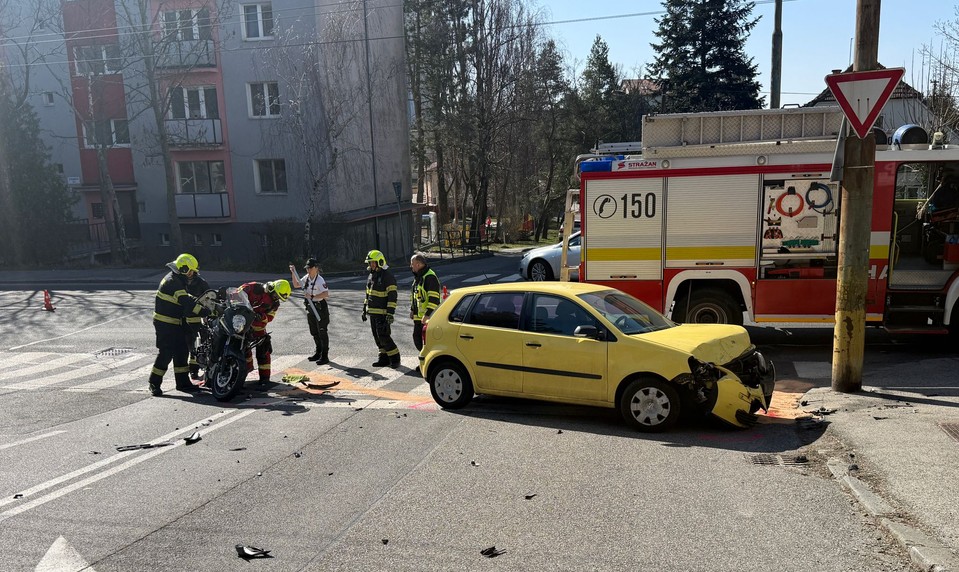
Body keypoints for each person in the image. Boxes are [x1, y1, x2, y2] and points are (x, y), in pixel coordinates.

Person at [148, 253, 213, 397]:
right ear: (183, 269)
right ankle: (154, 382)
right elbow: (186, 303)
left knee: (182, 351)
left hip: (176, 322)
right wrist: (205, 311)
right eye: (191, 271)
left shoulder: (177, 279)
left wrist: (199, 301)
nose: (192, 274)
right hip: (165, 323)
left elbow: (186, 297)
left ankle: (183, 383)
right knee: (166, 353)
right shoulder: (172, 282)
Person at [239, 279, 291, 383]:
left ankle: (265, 379)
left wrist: (261, 317)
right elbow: (238, 293)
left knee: (264, 349)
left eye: (278, 297)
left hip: (257, 326)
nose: (276, 299)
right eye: (276, 295)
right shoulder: (254, 287)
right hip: (240, 321)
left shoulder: (275, 304)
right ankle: (245, 370)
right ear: (271, 288)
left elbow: (270, 317)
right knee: (241, 347)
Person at [362, 249, 399, 368]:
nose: (371, 265)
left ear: (380, 262)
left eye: (373, 262)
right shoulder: (371, 275)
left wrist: (390, 313)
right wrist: (364, 309)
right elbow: (368, 293)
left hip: (383, 313)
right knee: (377, 337)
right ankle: (383, 358)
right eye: (370, 263)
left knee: (384, 336)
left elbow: (392, 296)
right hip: (373, 312)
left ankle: (395, 358)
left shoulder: (387, 276)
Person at [289, 258, 330, 364]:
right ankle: (318, 352)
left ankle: (324, 356)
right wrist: (293, 273)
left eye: (310, 268)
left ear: (316, 268)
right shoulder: (307, 278)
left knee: (322, 332)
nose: (308, 270)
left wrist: (312, 296)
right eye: (307, 268)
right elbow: (296, 284)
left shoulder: (320, 280)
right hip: (310, 308)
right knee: (314, 332)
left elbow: (326, 294)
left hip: (320, 308)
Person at [409, 253, 441, 352]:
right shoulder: (419, 277)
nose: (411, 266)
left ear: (418, 264)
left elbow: (434, 298)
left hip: (427, 318)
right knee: (418, 340)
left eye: (412, 264)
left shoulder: (429, 277)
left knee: (427, 343)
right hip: (419, 318)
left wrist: (427, 314)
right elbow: (415, 296)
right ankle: (424, 362)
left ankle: (426, 364)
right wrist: (412, 310)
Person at [185, 269, 211, 380]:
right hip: (182, 317)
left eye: (190, 271)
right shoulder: (179, 282)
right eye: (186, 271)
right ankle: (187, 370)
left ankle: (193, 370)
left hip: (196, 317)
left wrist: (205, 316)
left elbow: (209, 299)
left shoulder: (201, 283)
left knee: (196, 345)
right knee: (186, 346)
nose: (188, 273)